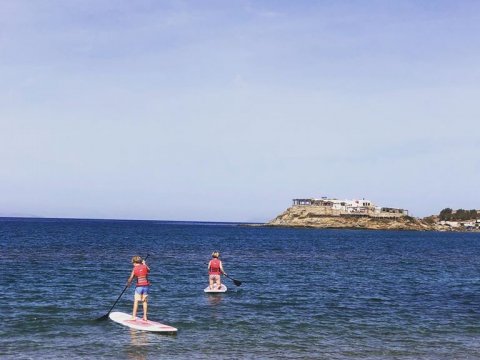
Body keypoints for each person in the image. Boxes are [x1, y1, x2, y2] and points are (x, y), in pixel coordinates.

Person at [127, 255, 150, 321]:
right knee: (144, 301)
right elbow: (149, 270)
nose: (133, 264)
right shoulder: (145, 266)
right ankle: (145, 316)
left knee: (136, 301)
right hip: (146, 286)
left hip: (139, 287)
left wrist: (128, 284)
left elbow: (131, 277)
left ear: (134, 262)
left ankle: (133, 317)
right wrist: (145, 264)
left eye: (133, 263)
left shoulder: (134, 269)